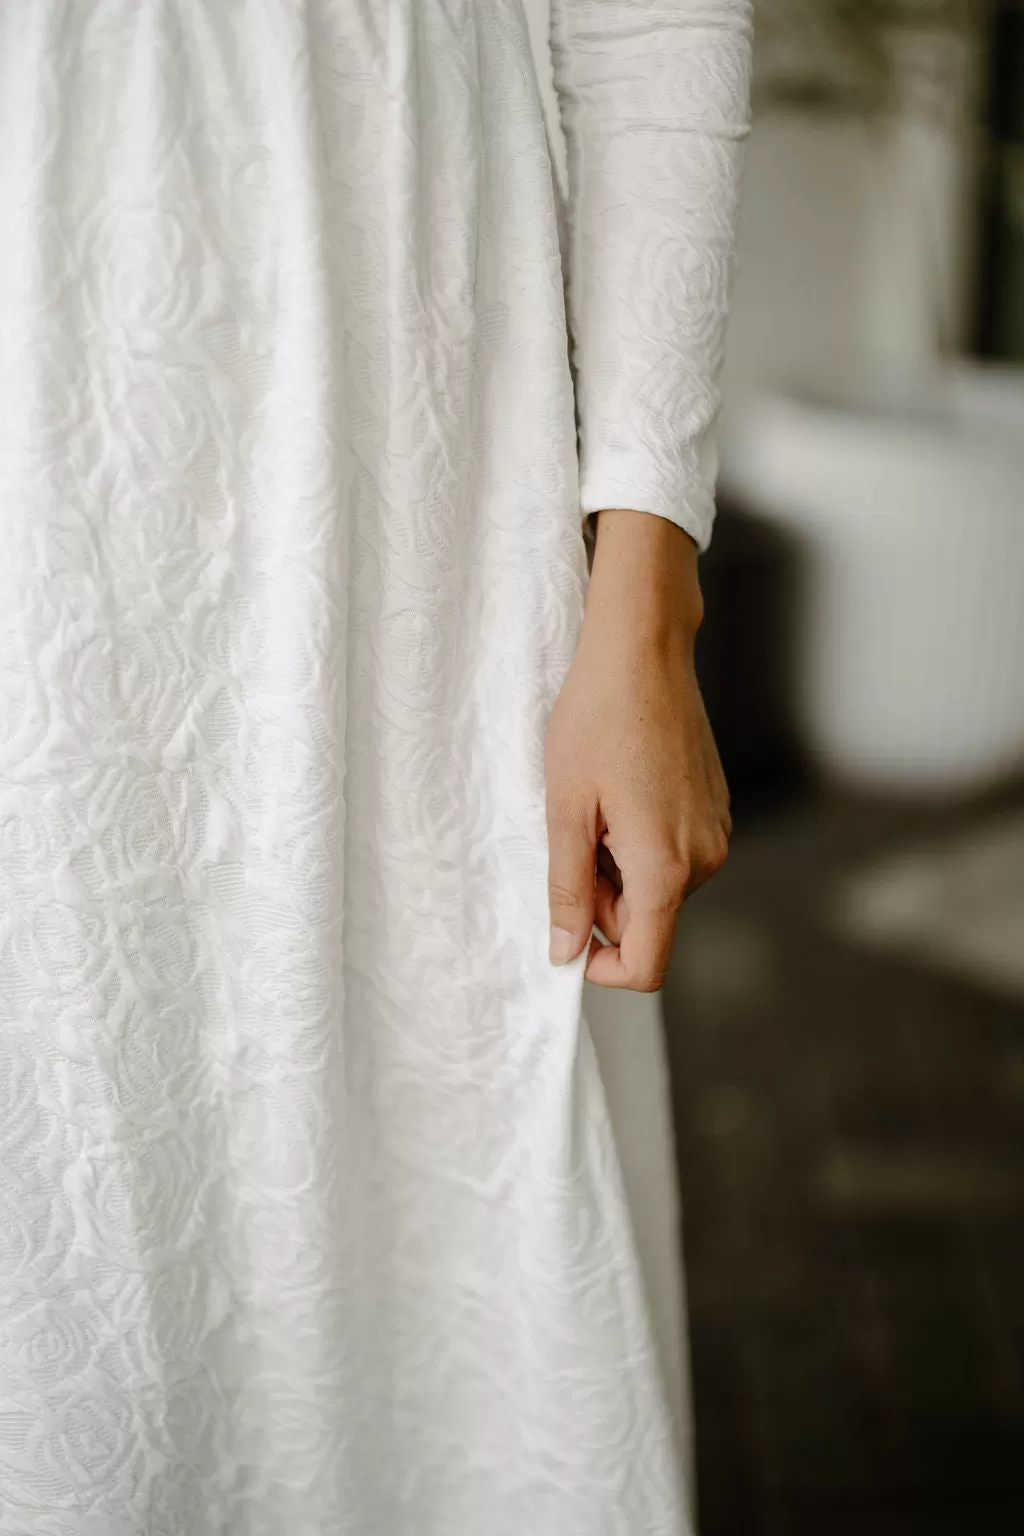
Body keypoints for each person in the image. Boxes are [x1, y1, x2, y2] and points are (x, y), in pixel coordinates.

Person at [0, 2, 752, 1532]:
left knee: (447, 1282)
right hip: (43, 438)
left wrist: (646, 601)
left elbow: (652, 22)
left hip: (420, 503)